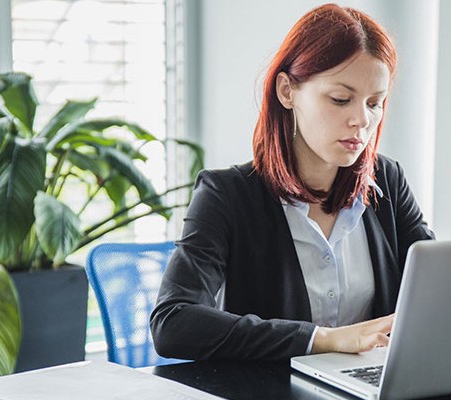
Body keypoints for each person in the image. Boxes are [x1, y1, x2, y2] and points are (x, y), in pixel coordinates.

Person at [150, 3, 434, 361]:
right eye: (341, 99)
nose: (361, 120)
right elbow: (173, 323)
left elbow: (436, 289)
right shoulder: (226, 195)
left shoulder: (386, 182)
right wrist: (324, 339)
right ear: (287, 91)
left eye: (375, 103)